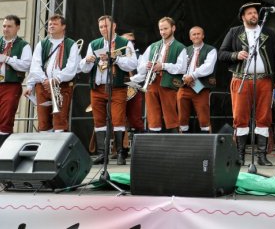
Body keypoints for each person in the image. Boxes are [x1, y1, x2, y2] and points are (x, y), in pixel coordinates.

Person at [219, 3, 275, 166]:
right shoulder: (235, 32)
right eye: (250, 13)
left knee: (264, 117)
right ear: (243, 17)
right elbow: (222, 53)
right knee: (240, 117)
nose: (253, 15)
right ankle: (240, 156)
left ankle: (261, 155)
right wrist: (235, 55)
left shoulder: (268, 32)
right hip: (241, 79)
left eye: (255, 13)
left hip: (264, 80)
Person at [79, 16, 137, 165]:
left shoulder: (125, 43)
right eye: (101, 27)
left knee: (118, 119)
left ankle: (120, 153)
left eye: (106, 26)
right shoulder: (94, 44)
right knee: (99, 122)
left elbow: (132, 64)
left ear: (114, 26)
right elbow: (84, 69)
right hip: (97, 87)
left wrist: (115, 59)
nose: (103, 29)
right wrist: (87, 60)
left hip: (116, 87)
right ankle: (101, 153)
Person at [24, 14, 80, 132]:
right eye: (50, 24)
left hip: (61, 86)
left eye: (55, 24)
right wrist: (36, 83)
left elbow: (72, 68)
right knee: (43, 122)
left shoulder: (71, 44)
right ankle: (46, 149)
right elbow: (35, 65)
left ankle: (58, 148)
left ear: (63, 26)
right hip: (43, 86)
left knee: (60, 121)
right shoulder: (42, 44)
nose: (51, 26)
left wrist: (56, 79)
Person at [132, 17, 187, 133]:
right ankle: (154, 139)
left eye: (165, 29)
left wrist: (163, 66)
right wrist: (147, 65)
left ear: (173, 28)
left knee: (170, 113)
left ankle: (174, 141)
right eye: (161, 29)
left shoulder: (180, 47)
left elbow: (182, 68)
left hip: (168, 82)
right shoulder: (153, 46)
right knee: (152, 114)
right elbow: (140, 66)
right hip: (152, 82)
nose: (162, 32)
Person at [0, 15, 32, 148]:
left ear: (17, 27)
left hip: (11, 85)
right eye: (4, 26)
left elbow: (26, 65)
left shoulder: (23, 45)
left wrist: (7, 59)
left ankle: (3, 151)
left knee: (6, 118)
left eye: (9, 26)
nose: (6, 29)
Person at [178, 26, 217, 133]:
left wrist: (192, 76)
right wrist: (185, 77)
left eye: (198, 34)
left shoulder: (211, 49)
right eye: (193, 34)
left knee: (204, 116)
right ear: (190, 37)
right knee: (182, 116)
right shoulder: (185, 50)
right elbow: (180, 67)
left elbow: (208, 67)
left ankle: (206, 145)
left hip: (201, 87)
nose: (196, 36)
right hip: (185, 86)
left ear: (203, 35)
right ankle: (183, 143)